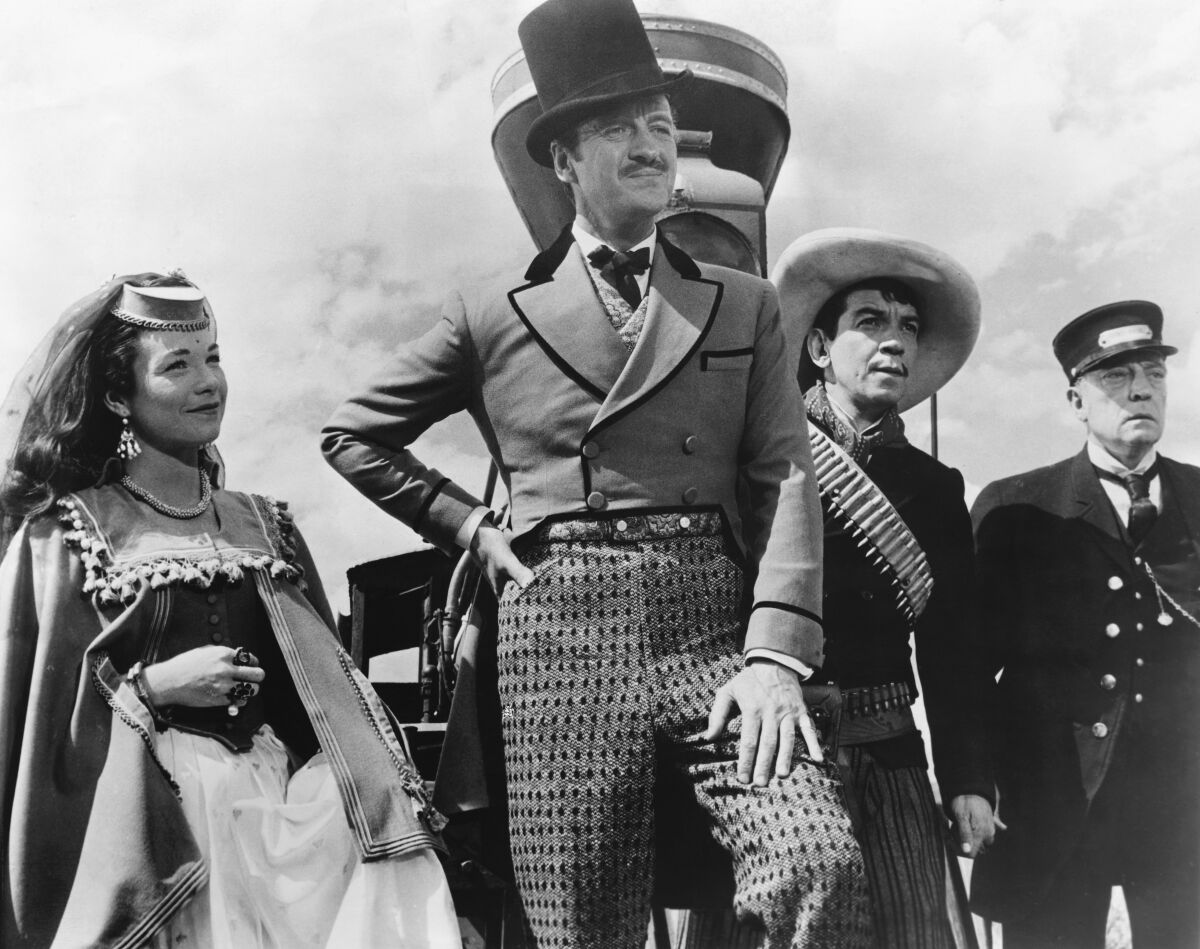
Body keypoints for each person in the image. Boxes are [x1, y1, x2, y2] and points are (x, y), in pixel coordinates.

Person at [321, 1, 872, 946]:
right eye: (619, 127)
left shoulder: (745, 302)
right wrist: (468, 524)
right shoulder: (489, 308)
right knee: (580, 923)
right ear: (565, 160)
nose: (651, 144)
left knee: (816, 856)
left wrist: (778, 655)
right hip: (558, 631)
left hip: (715, 626)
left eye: (659, 125)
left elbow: (782, 473)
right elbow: (352, 433)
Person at [0, 272, 461, 948]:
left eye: (213, 357)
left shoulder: (265, 525)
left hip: (276, 815)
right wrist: (153, 688)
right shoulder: (69, 535)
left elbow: (326, 700)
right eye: (177, 366)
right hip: (156, 816)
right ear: (117, 396)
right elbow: (29, 715)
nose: (208, 381)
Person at [770, 229, 995, 947]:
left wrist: (967, 777)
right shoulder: (767, 453)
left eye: (908, 326)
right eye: (870, 321)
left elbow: (953, 643)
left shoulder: (934, 487)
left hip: (891, 746)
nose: (895, 340)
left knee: (915, 932)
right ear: (817, 348)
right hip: (783, 745)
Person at [970, 301, 1199, 948]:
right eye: (1115, 377)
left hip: (1183, 817)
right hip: (1054, 807)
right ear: (1076, 400)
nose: (1140, 389)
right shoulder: (1017, 508)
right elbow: (968, 664)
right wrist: (971, 782)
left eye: (1153, 372)